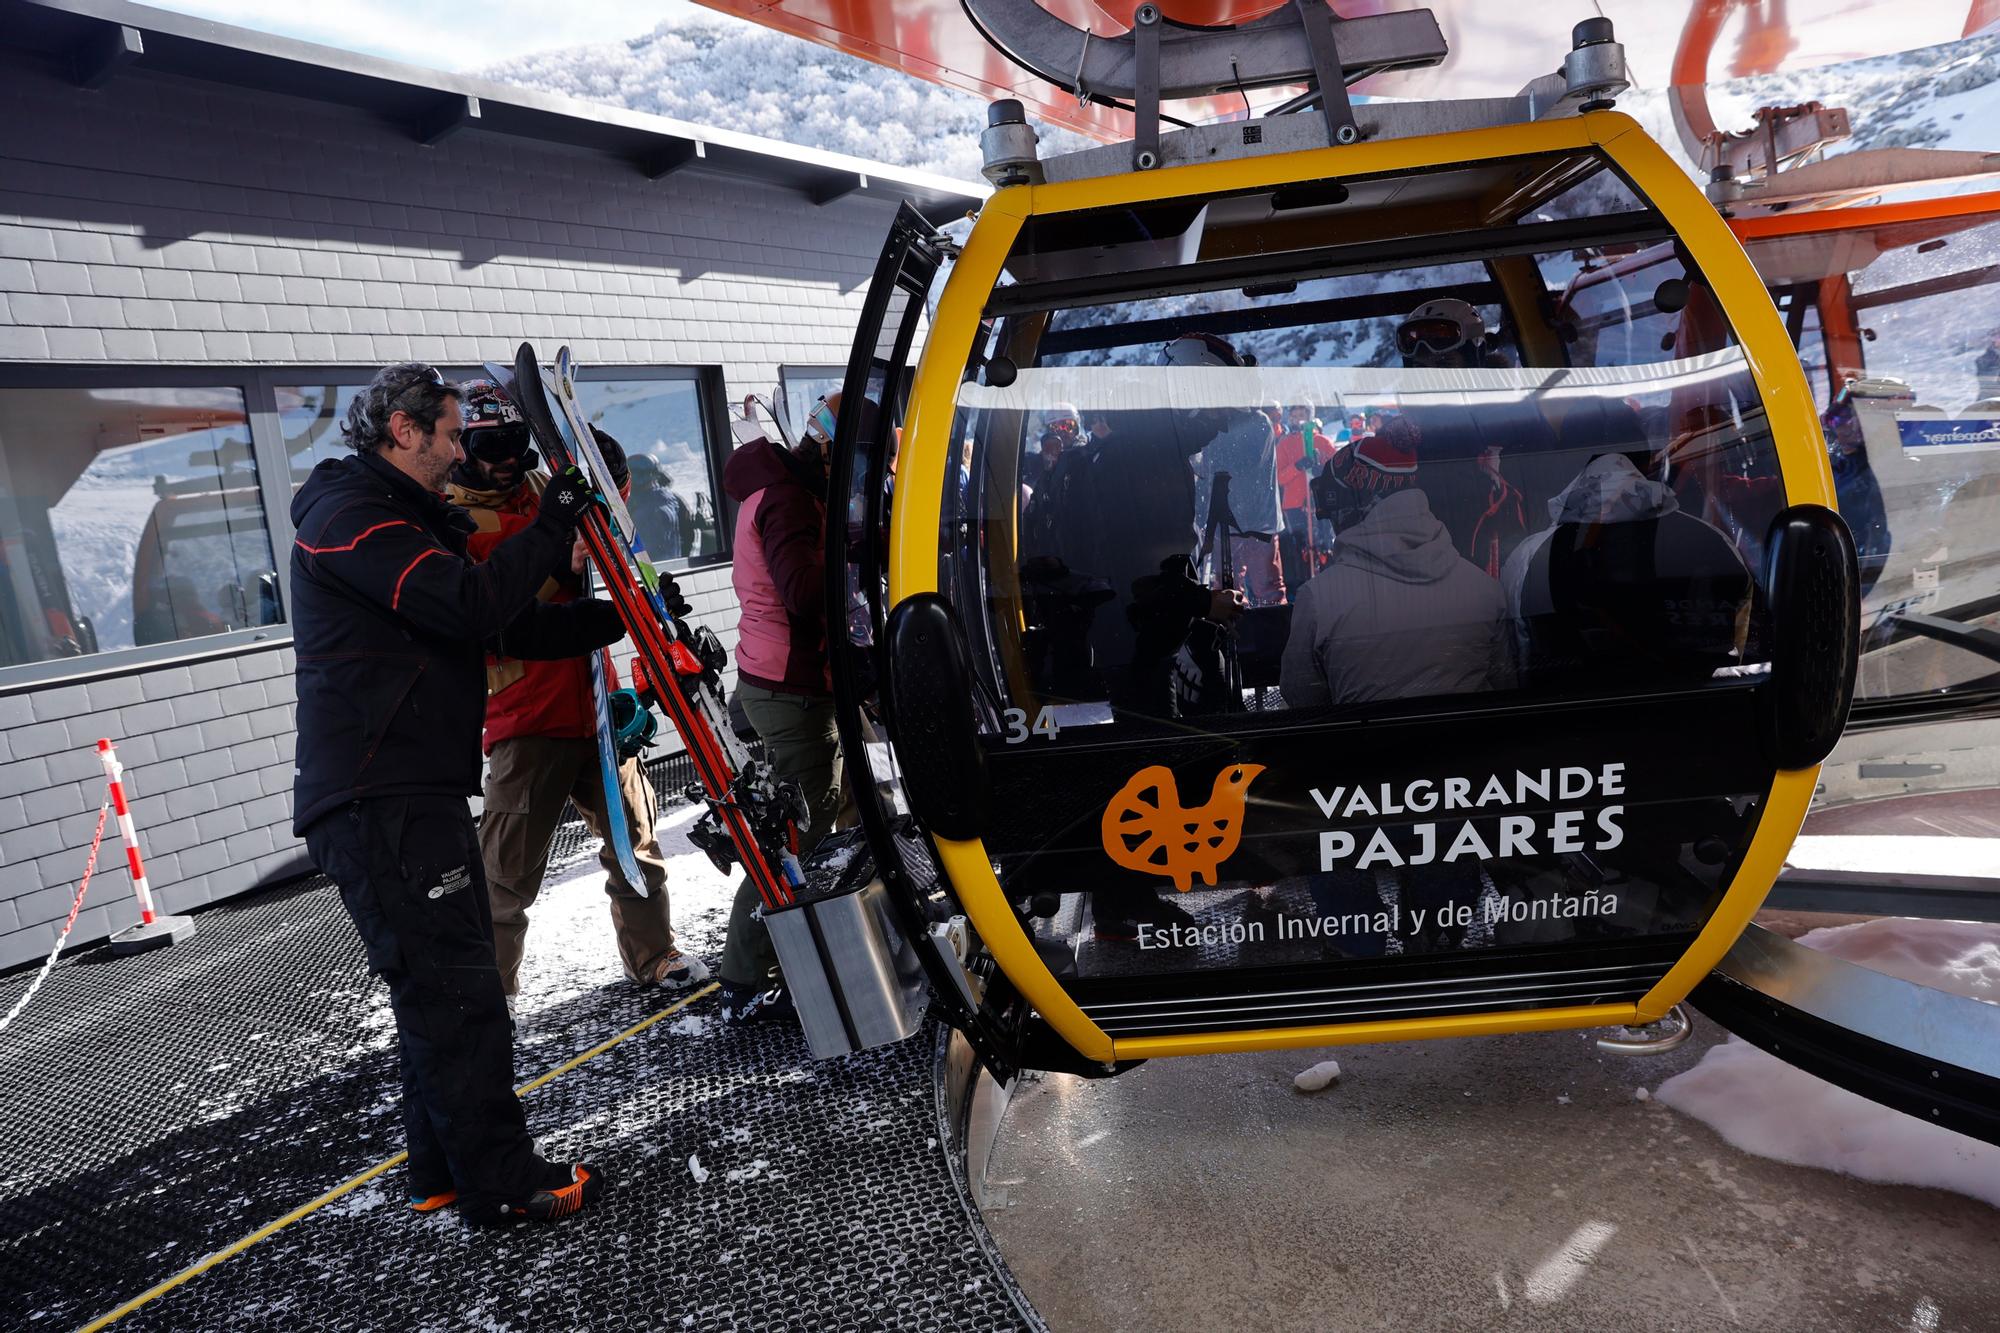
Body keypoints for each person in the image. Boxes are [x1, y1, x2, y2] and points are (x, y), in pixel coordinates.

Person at [291, 362, 622, 1225]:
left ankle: (440, 1169)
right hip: (382, 797)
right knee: (462, 993)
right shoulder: (350, 516)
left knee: (433, 992)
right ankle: (503, 1184)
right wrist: (552, 524)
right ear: (402, 431)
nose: (457, 447)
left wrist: (606, 619)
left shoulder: (400, 517)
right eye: (444, 431)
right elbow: (468, 604)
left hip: (406, 791)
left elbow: (497, 620)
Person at [444, 381, 708, 1009]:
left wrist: (607, 471)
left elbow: (608, 533)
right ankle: (491, 1002)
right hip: (527, 715)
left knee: (636, 841)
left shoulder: (545, 490)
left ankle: (654, 954)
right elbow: (498, 598)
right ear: (464, 448)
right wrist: (559, 554)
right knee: (506, 878)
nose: (507, 457)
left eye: (516, 441)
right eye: (490, 444)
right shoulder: (453, 518)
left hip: (594, 698)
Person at [716, 391, 848, 1022]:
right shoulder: (792, 499)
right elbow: (803, 590)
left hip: (787, 677)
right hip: (791, 684)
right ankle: (745, 977)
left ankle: (816, 945)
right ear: (830, 449)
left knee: (829, 817)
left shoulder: (782, 487)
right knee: (798, 831)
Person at [1281, 418, 1511, 707]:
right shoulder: (1484, 591)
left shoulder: (1318, 600)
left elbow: (1301, 698)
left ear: (1354, 503)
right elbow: (1506, 690)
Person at [628, 453, 698, 561]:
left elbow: (687, 533)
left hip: (662, 565)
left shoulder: (672, 501)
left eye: (641, 474)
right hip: (660, 565)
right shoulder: (672, 499)